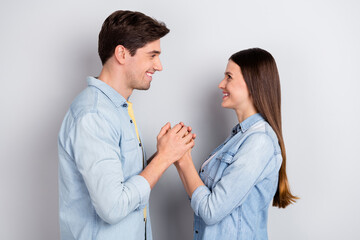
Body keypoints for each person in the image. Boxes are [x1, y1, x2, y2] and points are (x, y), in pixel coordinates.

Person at [58, 10, 195, 240]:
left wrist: (165, 154)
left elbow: (123, 181)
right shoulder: (94, 115)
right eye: (152, 55)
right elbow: (113, 208)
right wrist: (162, 159)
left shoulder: (117, 109)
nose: (159, 66)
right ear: (121, 53)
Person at [174, 48, 298, 239]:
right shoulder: (239, 137)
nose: (221, 84)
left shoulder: (259, 142)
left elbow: (211, 211)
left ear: (252, 84)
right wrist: (177, 156)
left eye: (229, 77)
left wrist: (184, 160)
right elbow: (201, 199)